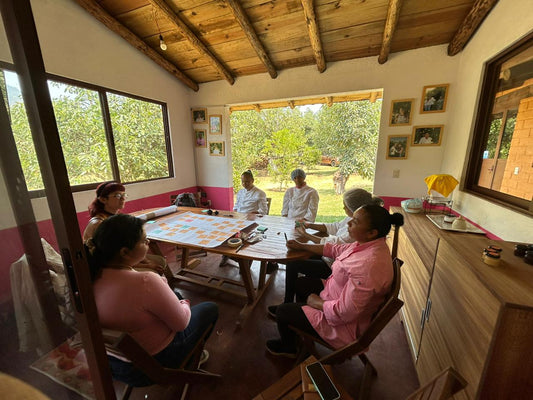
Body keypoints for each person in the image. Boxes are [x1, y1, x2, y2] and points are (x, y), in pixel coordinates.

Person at [86, 214, 218, 386]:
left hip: (114, 363)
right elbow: (181, 324)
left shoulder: (91, 276)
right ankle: (192, 356)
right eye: (144, 240)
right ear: (125, 252)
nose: (148, 243)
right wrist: (184, 303)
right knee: (210, 308)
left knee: (174, 297)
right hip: (151, 366)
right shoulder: (146, 281)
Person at [266, 205, 404, 358]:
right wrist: (302, 246)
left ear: (372, 232)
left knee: (283, 311)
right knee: (300, 284)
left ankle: (289, 346)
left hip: (342, 327)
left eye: (355, 222)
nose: (348, 223)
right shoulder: (368, 245)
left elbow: (344, 313)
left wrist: (316, 303)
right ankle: (299, 324)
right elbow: (336, 249)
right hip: (336, 295)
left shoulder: (368, 266)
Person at [268, 189, 383, 312]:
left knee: (293, 263)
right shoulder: (355, 221)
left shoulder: (357, 231)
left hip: (333, 266)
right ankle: (298, 304)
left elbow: (335, 244)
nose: (343, 208)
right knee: (301, 256)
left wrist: (306, 236)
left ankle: (288, 303)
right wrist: (309, 225)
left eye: (345, 206)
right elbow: (334, 228)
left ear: (355, 209)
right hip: (333, 259)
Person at [83, 181, 166, 276]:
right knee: (154, 269)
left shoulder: (114, 217)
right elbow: (113, 259)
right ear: (103, 199)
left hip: (121, 258)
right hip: (105, 268)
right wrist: (148, 265)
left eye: (124, 195)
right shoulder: (99, 224)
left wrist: (147, 261)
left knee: (160, 260)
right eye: (117, 195)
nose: (123, 198)